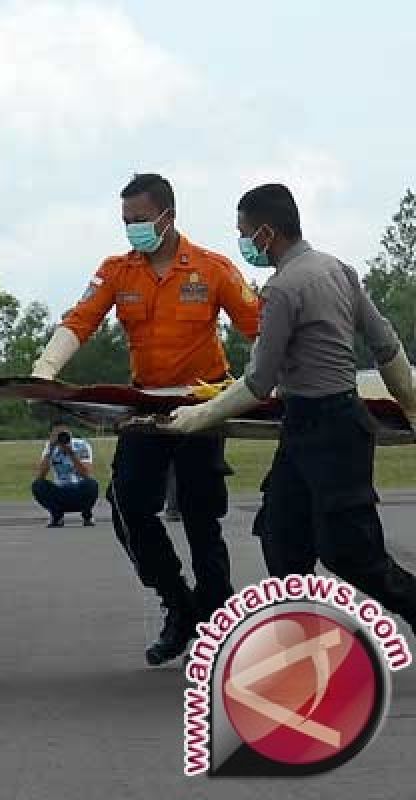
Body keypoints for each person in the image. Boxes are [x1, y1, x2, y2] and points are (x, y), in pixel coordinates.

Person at [30, 173, 261, 666]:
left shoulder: (212, 268)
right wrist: (44, 370)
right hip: (146, 406)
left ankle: (216, 614)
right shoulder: (117, 271)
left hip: (204, 405)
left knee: (202, 513)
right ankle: (177, 602)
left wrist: (270, 383)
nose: (132, 230)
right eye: (126, 222)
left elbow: (260, 327)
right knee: (128, 503)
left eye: (139, 220)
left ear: (167, 216)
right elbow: (80, 320)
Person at [163, 183, 416, 629]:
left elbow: (259, 381)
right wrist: (410, 401)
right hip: (320, 425)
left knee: (351, 553)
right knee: (281, 534)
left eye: (244, 232)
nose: (243, 243)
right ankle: (303, 642)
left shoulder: (281, 289)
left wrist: (200, 415)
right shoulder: (339, 269)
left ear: (265, 232)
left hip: (328, 432)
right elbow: (386, 344)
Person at [31, 421, 98, 528]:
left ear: (70, 433)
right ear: (52, 435)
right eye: (57, 435)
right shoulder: (50, 447)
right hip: (60, 489)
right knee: (38, 485)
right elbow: (41, 476)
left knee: (92, 484)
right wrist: (50, 450)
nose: (61, 438)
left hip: (79, 489)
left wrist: (71, 453)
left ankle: (87, 515)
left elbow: (86, 473)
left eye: (64, 434)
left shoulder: (82, 445)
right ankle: (57, 516)